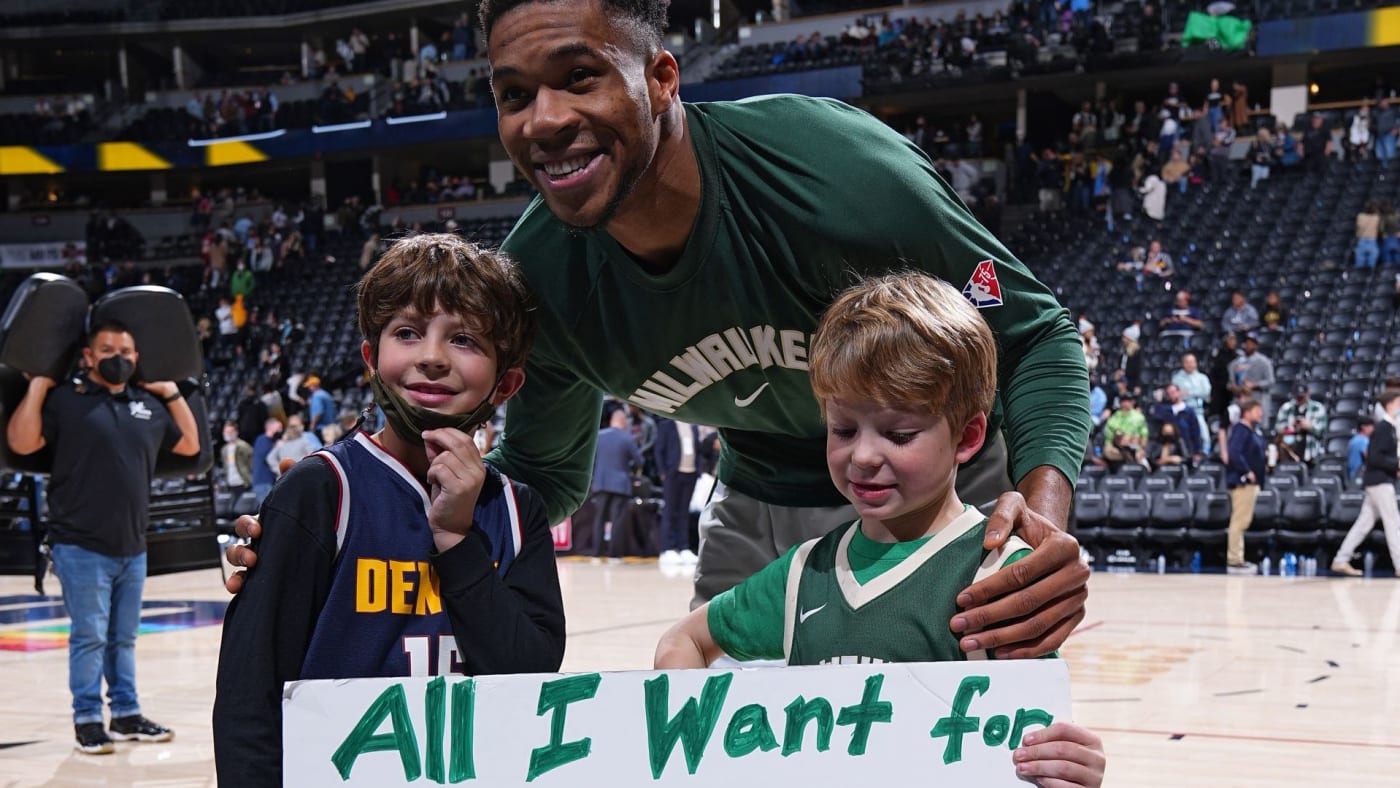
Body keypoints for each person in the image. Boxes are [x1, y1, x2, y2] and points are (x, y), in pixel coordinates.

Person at [230, 0, 1093, 659]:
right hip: (757, 503)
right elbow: (535, 479)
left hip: (938, 495)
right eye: (513, 95)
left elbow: (1038, 334)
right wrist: (337, 528)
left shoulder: (835, 172)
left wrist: (1045, 525)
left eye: (579, 77)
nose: (544, 120)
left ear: (662, 79)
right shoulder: (544, 281)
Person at [652, 273, 1104, 787]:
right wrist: (688, 746)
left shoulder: (1000, 575)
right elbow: (682, 641)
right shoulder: (803, 573)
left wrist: (1069, 765)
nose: (864, 456)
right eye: (843, 429)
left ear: (968, 436)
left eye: (898, 433)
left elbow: (1039, 743)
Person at [213, 234, 565, 787]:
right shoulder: (322, 489)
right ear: (371, 358)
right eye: (407, 333)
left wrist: (455, 539)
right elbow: (249, 693)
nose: (431, 356)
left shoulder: (519, 510)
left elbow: (531, 677)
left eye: (465, 339)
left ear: (507, 383)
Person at [5, 321, 201, 754]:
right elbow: (20, 442)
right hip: (78, 543)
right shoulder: (65, 401)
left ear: (136, 358)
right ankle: (88, 719)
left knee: (123, 638)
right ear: (89, 356)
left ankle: (127, 713)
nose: (119, 357)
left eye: (127, 350)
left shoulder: (147, 406)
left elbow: (189, 445)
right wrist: (39, 384)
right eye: (108, 349)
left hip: (132, 544)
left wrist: (169, 391)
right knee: (90, 635)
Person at [1331, 392, 1400, 577]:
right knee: (1393, 522)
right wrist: (1396, 465)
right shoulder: (1384, 427)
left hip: (1377, 480)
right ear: (1391, 404)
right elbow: (1376, 457)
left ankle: (1340, 559)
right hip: (1380, 481)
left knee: (1363, 524)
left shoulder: (1387, 427)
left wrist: (1394, 468)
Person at [589, 407, 645, 559]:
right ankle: (615, 554)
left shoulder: (598, 436)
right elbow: (640, 461)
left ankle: (596, 553)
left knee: (599, 519)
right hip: (620, 484)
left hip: (600, 482)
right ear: (623, 421)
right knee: (617, 520)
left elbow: (590, 460)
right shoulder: (628, 438)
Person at [1225, 398, 1266, 574]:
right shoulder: (1241, 429)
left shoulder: (1251, 431)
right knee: (1239, 521)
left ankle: (1237, 558)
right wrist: (1247, 471)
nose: (1261, 414)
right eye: (1258, 410)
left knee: (1242, 521)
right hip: (1243, 483)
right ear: (1247, 412)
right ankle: (1234, 560)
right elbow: (1234, 452)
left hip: (1251, 483)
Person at [653, 416, 701, 565]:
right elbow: (659, 450)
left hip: (690, 473)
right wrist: (663, 472)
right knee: (670, 511)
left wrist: (698, 470)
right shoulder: (667, 425)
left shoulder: (693, 426)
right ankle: (667, 548)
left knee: (684, 512)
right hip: (673, 474)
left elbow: (697, 449)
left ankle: (684, 547)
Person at [1273, 383, 1328, 465]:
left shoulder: (1317, 408)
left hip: (1310, 453)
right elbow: (1277, 430)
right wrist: (1290, 427)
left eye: (1302, 397)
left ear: (1308, 394)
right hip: (1289, 453)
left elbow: (1322, 432)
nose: (1300, 400)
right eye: (1298, 397)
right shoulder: (1286, 408)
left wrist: (1309, 427)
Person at [1347, 416, 1374, 483]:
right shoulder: (1363, 441)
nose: (1373, 429)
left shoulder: (1353, 439)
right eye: (1370, 426)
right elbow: (1370, 458)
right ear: (1363, 427)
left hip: (1352, 475)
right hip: (1359, 476)